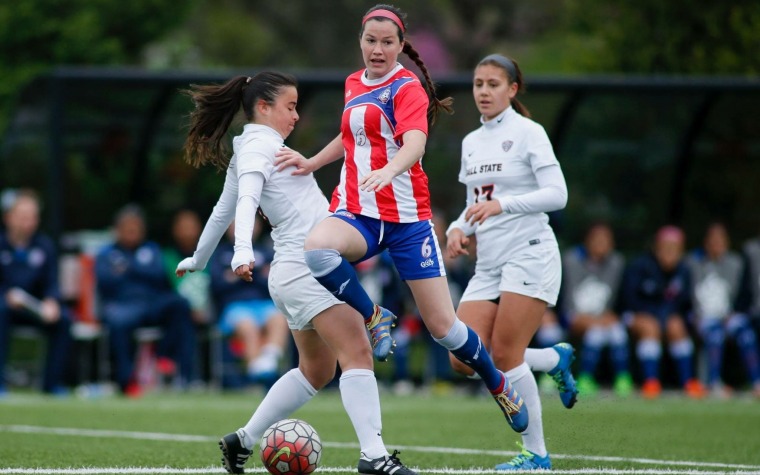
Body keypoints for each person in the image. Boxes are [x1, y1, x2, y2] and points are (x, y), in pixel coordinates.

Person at [275, 4, 530, 436]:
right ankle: (375, 316)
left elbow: (415, 143)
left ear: (399, 45)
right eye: (371, 41)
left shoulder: (407, 87)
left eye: (387, 42)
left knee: (444, 328)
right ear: (361, 42)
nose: (378, 49)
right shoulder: (354, 82)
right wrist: (312, 161)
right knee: (317, 249)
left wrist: (390, 171)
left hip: (407, 221)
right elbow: (350, 132)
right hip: (358, 212)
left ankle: (497, 382)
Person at [176, 71, 416, 475]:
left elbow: (220, 211)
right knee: (357, 352)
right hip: (307, 271)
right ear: (264, 107)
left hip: (292, 273)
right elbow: (245, 200)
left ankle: (245, 439)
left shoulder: (254, 147)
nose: (296, 115)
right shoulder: (257, 147)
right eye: (290, 106)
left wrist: (198, 260)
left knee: (317, 370)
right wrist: (241, 252)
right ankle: (374, 457)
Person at [444, 53, 577, 471]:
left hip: (531, 252)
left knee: (504, 354)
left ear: (512, 89)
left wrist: (504, 205)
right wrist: (456, 227)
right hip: (490, 263)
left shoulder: (529, 133)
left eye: (493, 84)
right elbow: (475, 204)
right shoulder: (471, 141)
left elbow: (558, 194)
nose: (483, 91)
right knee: (461, 357)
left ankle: (537, 454)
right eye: (478, 83)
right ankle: (553, 360)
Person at [95, 204, 197, 396]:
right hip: (123, 305)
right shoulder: (106, 253)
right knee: (117, 322)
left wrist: (129, 269)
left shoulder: (151, 249)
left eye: (137, 226)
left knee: (180, 304)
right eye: (128, 226)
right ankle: (126, 382)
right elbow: (106, 281)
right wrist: (140, 271)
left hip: (151, 303)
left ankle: (166, 358)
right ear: (118, 229)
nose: (133, 231)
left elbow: (161, 275)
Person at [0, 189, 71, 395]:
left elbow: (52, 283)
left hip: (33, 308)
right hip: (6, 307)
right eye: (23, 217)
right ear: (9, 218)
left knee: (64, 320)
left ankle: (52, 384)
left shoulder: (45, 246)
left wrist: (52, 301)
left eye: (33, 217)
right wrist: (6, 294)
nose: (28, 222)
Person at [621, 225, 705, 399]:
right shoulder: (640, 266)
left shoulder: (684, 270)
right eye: (665, 247)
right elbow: (629, 301)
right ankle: (651, 382)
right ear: (656, 248)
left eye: (674, 249)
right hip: (637, 316)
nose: (669, 252)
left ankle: (688, 382)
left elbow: (685, 305)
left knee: (676, 326)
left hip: (667, 318)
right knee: (650, 327)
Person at [209, 220, 289, 385]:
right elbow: (216, 285)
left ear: (258, 227)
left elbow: (274, 282)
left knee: (279, 319)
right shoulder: (219, 254)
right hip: (234, 307)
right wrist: (257, 273)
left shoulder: (266, 251)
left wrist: (236, 275)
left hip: (264, 304)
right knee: (248, 326)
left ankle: (268, 363)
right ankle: (258, 375)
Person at [685, 222, 760, 398]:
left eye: (720, 240)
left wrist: (733, 313)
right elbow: (686, 297)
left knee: (746, 335)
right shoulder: (692, 263)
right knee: (715, 335)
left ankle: (756, 381)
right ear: (705, 242)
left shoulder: (736, 264)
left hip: (729, 316)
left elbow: (743, 294)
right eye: (713, 240)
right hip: (701, 317)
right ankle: (713, 382)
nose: (716, 244)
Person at [562, 222, 632, 398]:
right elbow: (563, 299)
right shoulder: (570, 260)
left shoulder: (617, 263)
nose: (601, 244)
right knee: (595, 332)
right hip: (573, 316)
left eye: (606, 240)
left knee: (617, 332)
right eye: (597, 239)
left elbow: (622, 299)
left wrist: (615, 315)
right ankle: (585, 377)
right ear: (587, 241)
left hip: (603, 317)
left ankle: (622, 378)